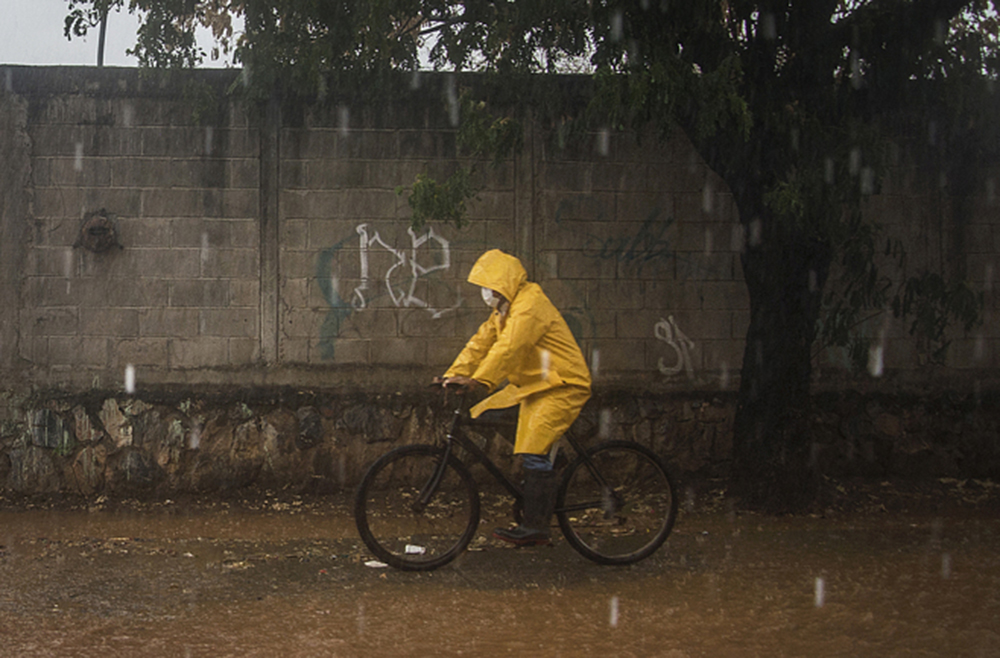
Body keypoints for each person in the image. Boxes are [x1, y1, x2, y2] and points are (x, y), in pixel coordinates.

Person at [437, 249, 592, 546]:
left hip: (562, 384)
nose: (485, 293)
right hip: (534, 386)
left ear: (503, 282)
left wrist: (478, 380)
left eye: (488, 286)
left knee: (532, 449)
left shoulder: (530, 305)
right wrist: (453, 374)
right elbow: (481, 343)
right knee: (485, 414)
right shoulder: (503, 311)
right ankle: (549, 466)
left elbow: (509, 347)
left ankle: (536, 527)